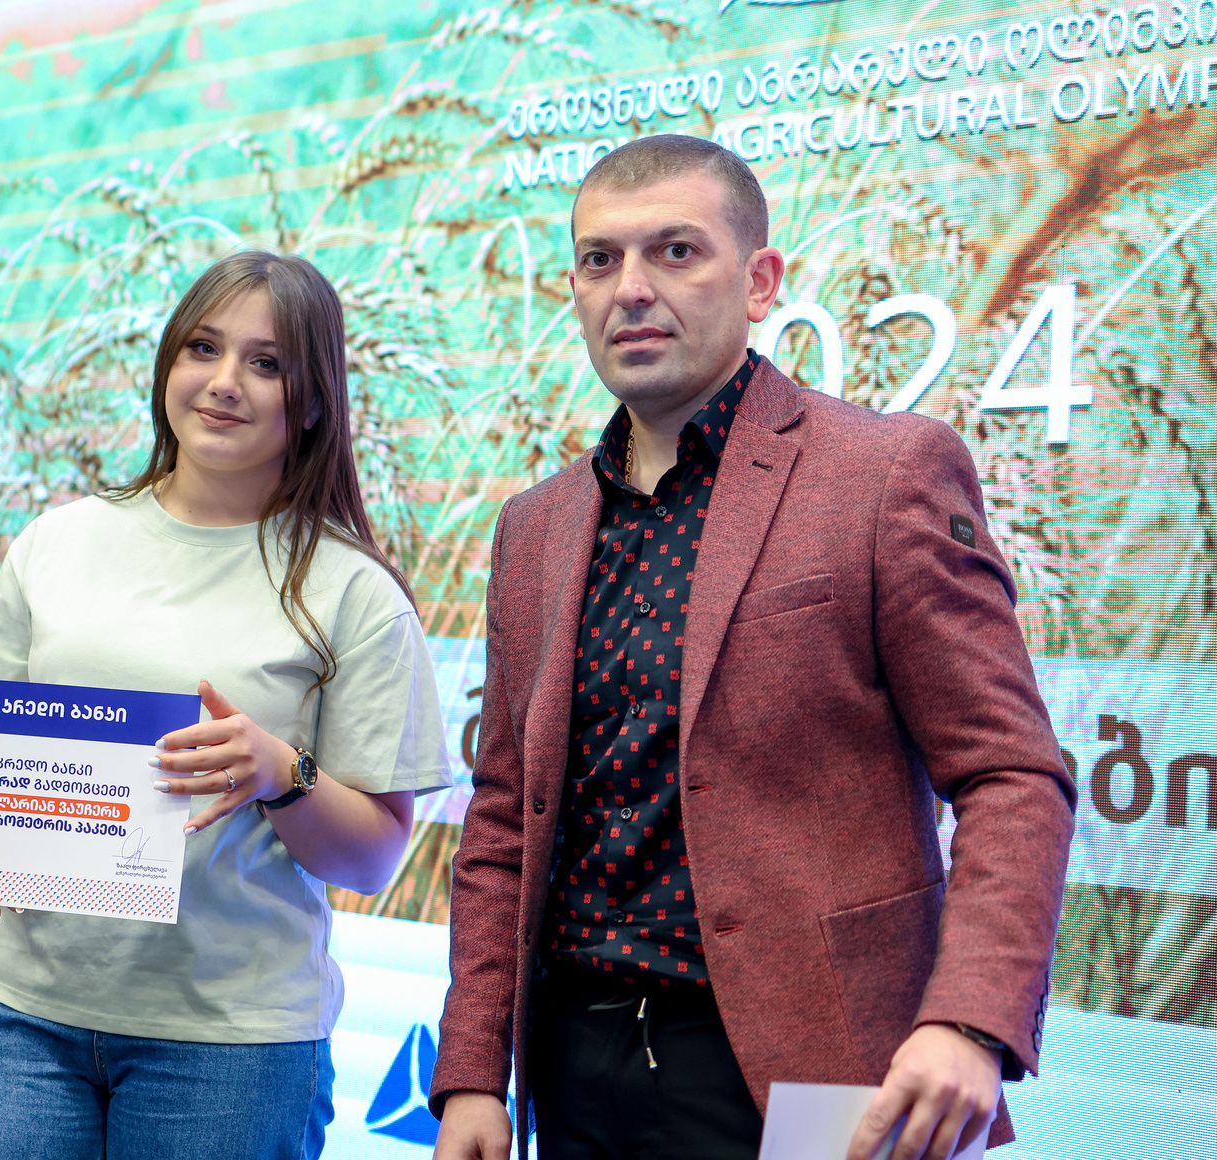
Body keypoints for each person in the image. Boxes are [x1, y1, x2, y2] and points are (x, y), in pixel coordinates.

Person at [430, 135, 1076, 1160]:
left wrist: (970, 1018)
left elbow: (1012, 776)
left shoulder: (883, 473)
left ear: (761, 280)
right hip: (575, 1067)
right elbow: (506, 818)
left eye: (675, 251)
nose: (631, 288)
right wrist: (472, 1070)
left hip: (820, 1072)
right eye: (600, 260)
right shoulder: (534, 528)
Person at [0, 250, 453, 1160]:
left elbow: (374, 857)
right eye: (203, 348)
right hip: (18, 1015)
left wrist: (281, 773)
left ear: (313, 400)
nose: (224, 381)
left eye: (267, 362)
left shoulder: (354, 593)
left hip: (230, 1049)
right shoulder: (56, 544)